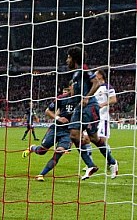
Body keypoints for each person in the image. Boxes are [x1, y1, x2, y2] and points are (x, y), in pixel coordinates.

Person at [64, 47, 118, 180]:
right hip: (80, 108)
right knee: (74, 135)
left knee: (93, 138)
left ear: (74, 58)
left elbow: (97, 82)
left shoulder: (84, 69)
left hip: (90, 107)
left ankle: (112, 162)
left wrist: (87, 97)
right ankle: (90, 165)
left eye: (69, 57)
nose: (67, 60)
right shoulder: (76, 74)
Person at [23, 86, 77, 181]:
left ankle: (41, 174)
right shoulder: (62, 98)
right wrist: (58, 118)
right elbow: (47, 111)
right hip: (56, 128)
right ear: (70, 87)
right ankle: (32, 148)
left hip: (68, 132)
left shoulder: (82, 100)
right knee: (42, 151)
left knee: (59, 152)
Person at [94, 68, 118, 179]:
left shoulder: (107, 87)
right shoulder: (93, 88)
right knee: (86, 139)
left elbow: (113, 99)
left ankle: (112, 163)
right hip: (92, 119)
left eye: (95, 74)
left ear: (100, 75)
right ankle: (90, 164)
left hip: (103, 119)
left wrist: (103, 104)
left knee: (100, 141)